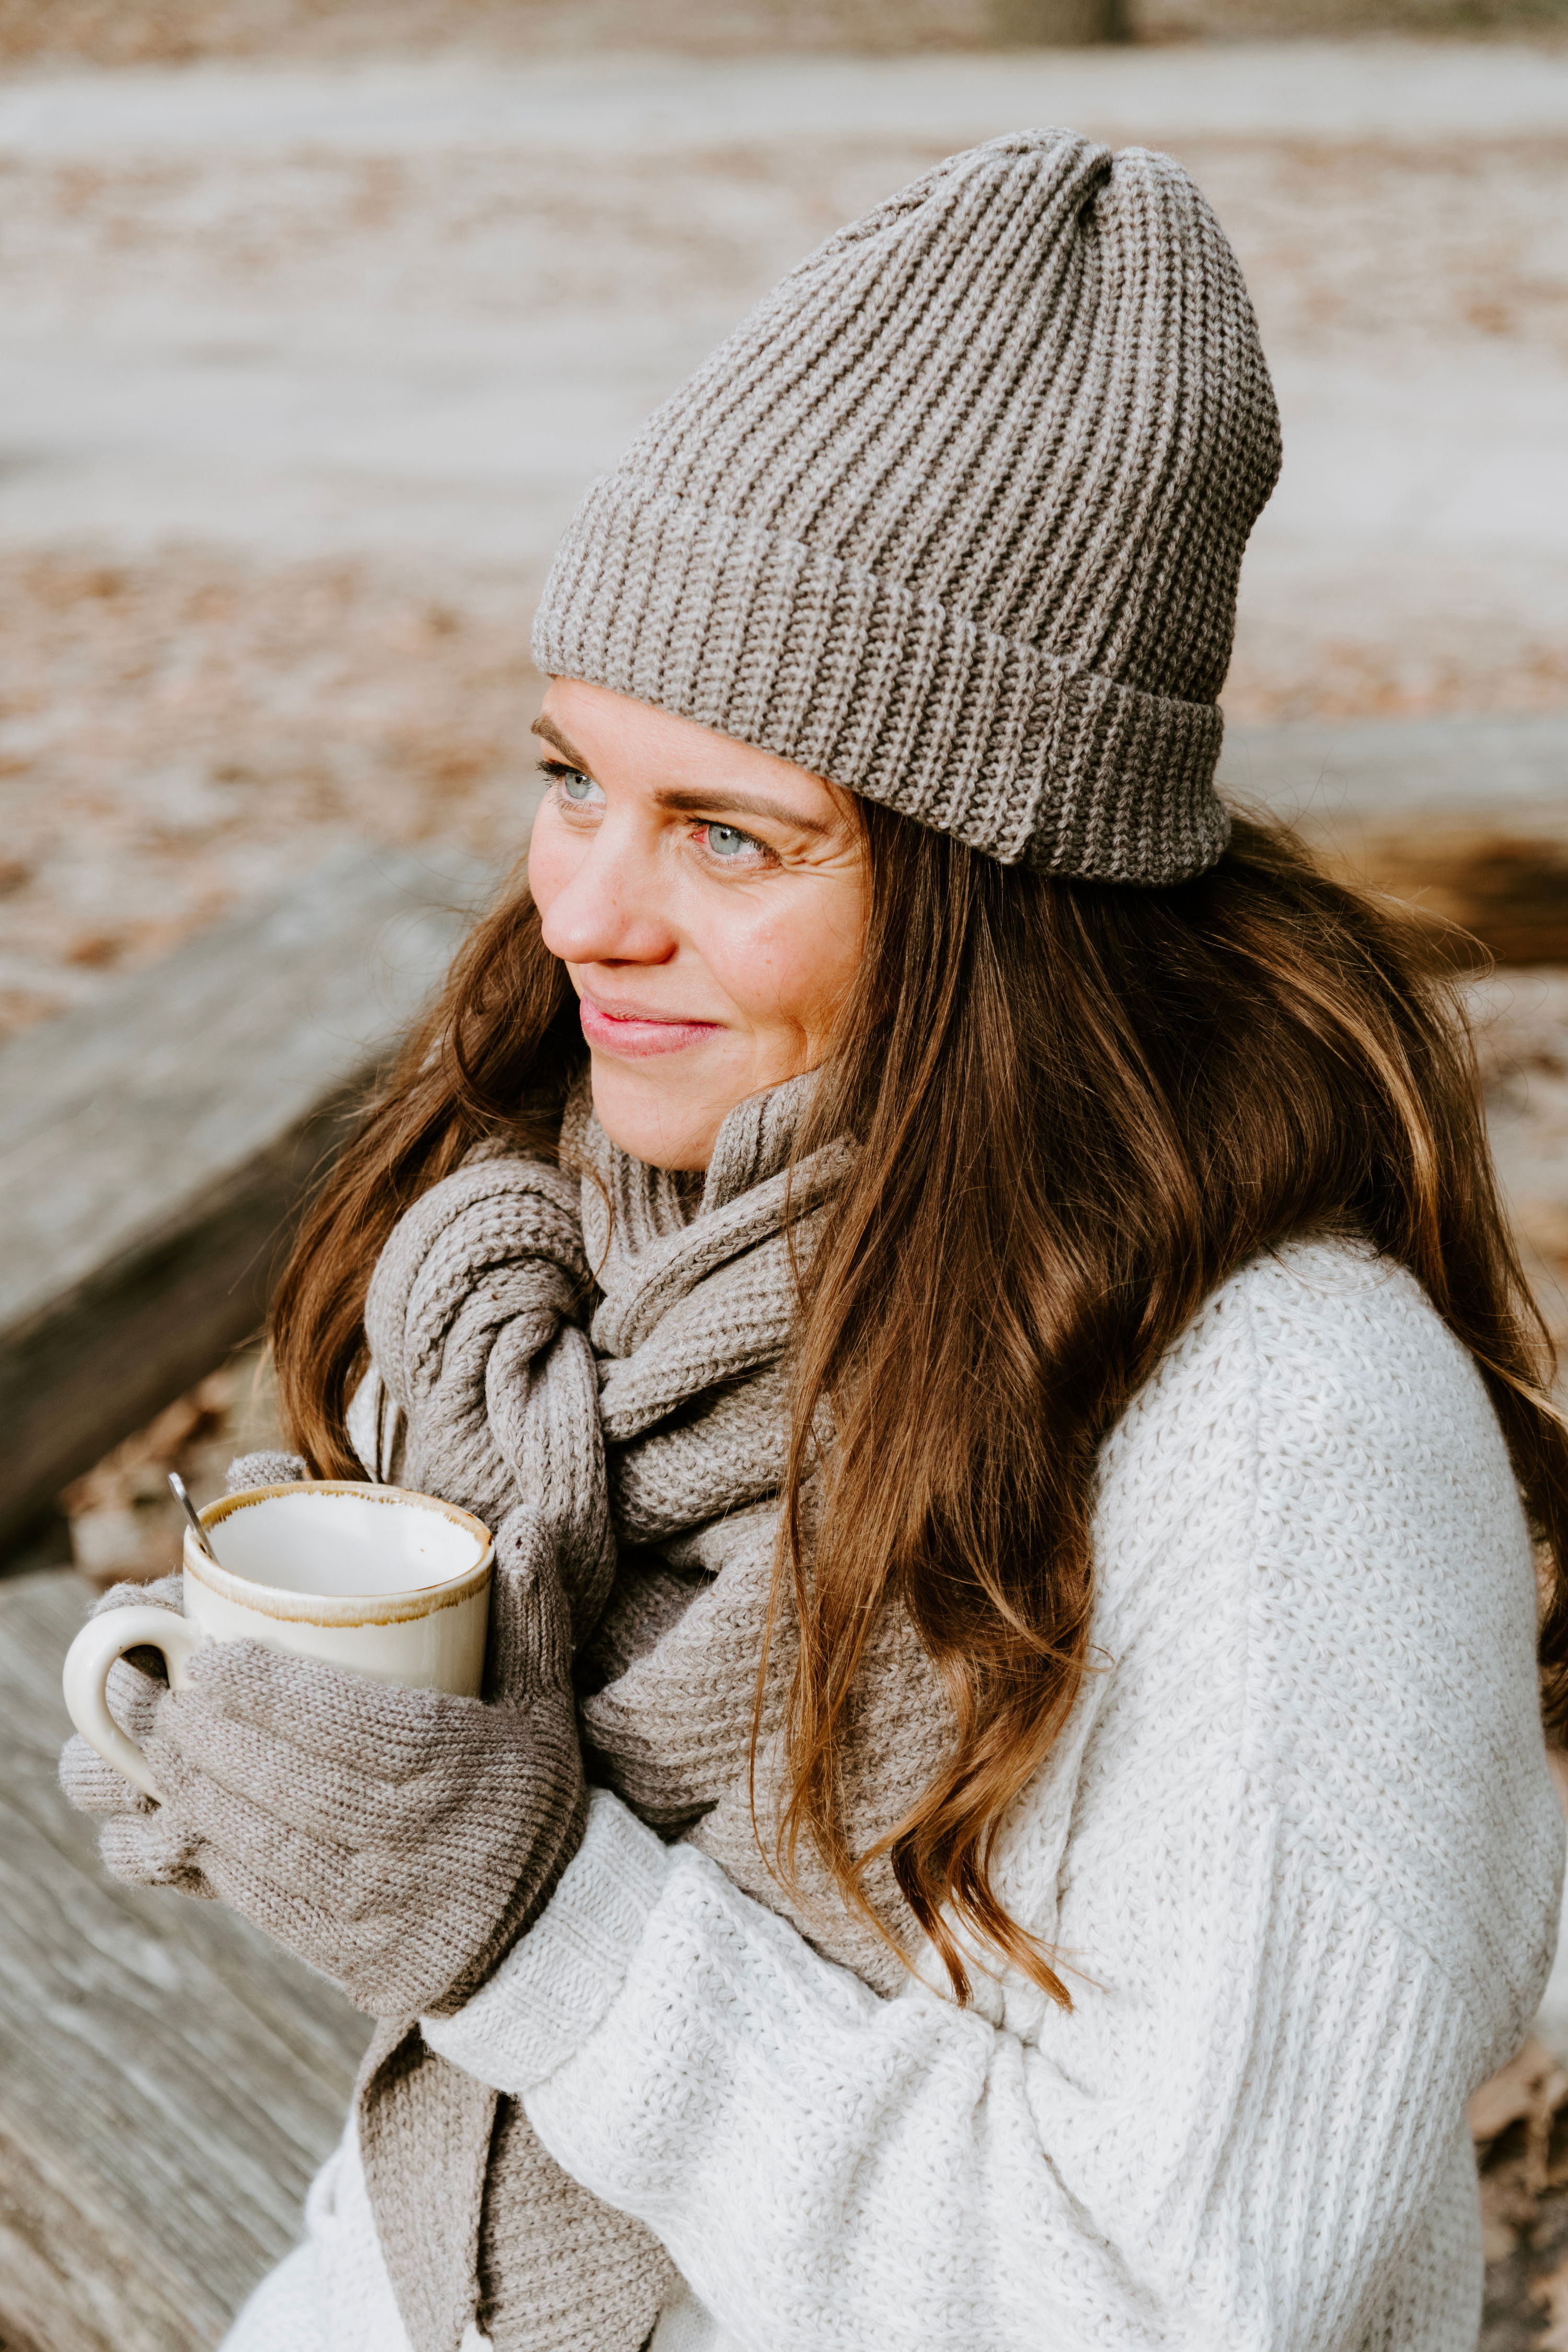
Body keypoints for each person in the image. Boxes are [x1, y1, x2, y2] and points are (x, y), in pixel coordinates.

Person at [62, 128, 1568, 2352]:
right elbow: (449, 2184)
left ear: (994, 889)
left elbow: (1193, 2311)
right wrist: (275, 1770)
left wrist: (524, 1924)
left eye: (731, 832)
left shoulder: (1282, 1444)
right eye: (569, 773)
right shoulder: (572, 1252)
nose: (581, 907)